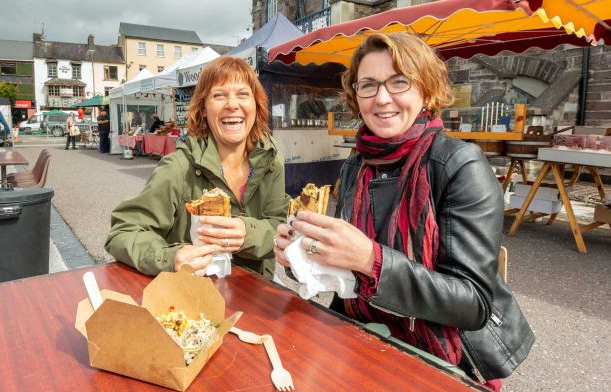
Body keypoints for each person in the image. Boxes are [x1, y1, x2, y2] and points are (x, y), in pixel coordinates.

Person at [273, 33, 533, 389]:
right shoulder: (356, 165)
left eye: (399, 82)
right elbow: (346, 274)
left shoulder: (459, 165)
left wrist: (371, 259)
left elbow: (473, 304)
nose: (382, 98)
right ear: (356, 97)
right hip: (363, 335)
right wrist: (303, 256)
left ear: (425, 91)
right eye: (368, 85)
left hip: (441, 358)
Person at [106, 56, 288, 279]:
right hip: (194, 295)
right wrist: (171, 258)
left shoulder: (270, 161)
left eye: (243, 94)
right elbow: (123, 232)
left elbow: (279, 230)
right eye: (219, 96)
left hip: (256, 287)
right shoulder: (179, 167)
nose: (232, 105)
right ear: (203, 109)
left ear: (256, 105)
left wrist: (248, 234)